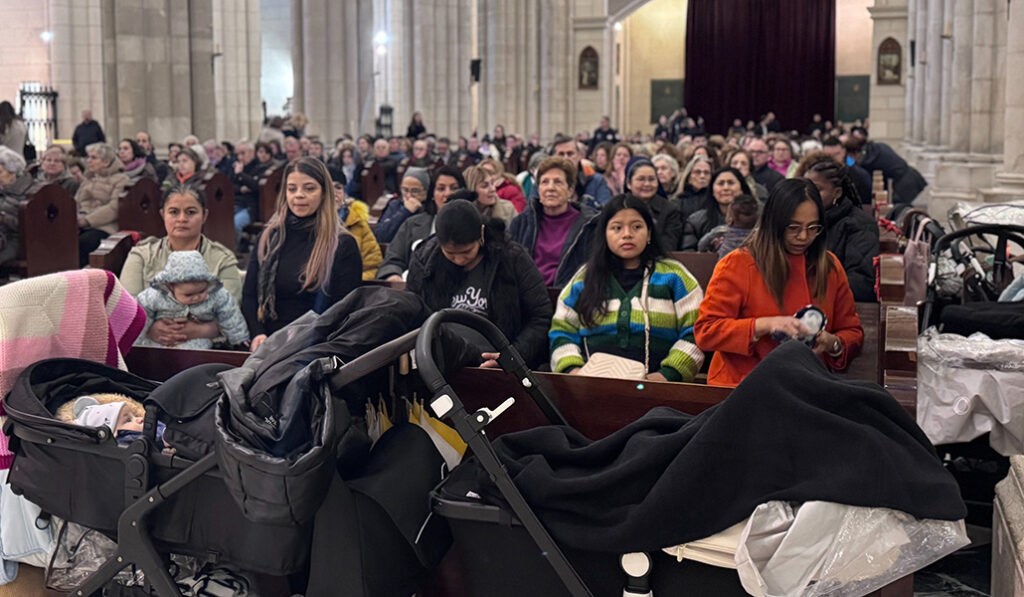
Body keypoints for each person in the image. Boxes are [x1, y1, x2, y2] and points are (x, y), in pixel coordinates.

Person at [694, 178, 864, 387]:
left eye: (813, 228)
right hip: (743, 387)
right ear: (774, 223)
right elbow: (707, 331)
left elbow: (852, 332)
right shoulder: (738, 264)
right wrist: (764, 325)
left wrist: (833, 343)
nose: (803, 236)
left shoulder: (829, 266)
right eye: (793, 227)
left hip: (808, 385)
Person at [549, 194, 705, 382]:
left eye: (637, 227)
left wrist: (666, 376)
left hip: (659, 391)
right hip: (590, 388)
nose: (627, 234)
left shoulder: (675, 276)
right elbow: (562, 331)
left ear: (649, 233)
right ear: (604, 234)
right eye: (617, 228)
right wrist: (573, 372)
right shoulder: (584, 278)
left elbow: (696, 331)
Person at [406, 198, 552, 367]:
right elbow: (413, 311)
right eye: (450, 253)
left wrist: (511, 357)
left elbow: (540, 316)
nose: (459, 260)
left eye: (467, 251)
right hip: (442, 361)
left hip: (501, 361)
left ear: (481, 233)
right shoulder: (425, 261)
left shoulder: (511, 258)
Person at [242, 157, 363, 349]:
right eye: (292, 189)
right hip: (267, 343)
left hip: (312, 346)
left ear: (324, 193)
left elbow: (341, 313)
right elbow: (249, 296)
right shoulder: (269, 236)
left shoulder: (341, 245)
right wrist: (258, 334)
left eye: (309, 188)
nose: (299, 195)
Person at [121, 184, 241, 297]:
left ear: (204, 216)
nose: (182, 219)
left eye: (191, 212)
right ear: (163, 215)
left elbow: (229, 310)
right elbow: (129, 310)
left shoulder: (222, 260)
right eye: (174, 212)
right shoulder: (142, 256)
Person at [796, 152, 879, 302]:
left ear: (837, 192)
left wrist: (808, 286)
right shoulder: (798, 219)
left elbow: (863, 283)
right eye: (805, 188)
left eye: (816, 189)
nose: (808, 195)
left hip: (835, 307)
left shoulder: (858, 225)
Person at [508, 157, 599, 288]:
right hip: (527, 298)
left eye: (558, 182)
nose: (550, 188)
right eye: (545, 182)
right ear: (539, 189)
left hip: (570, 298)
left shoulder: (590, 225)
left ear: (570, 190)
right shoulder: (521, 223)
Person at [135, 250, 249, 349]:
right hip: (159, 343)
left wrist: (239, 340)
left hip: (198, 343)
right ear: (170, 286)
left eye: (202, 291)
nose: (197, 297)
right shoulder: (155, 296)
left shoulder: (217, 295)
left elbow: (230, 315)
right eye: (189, 295)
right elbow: (140, 315)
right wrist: (135, 343)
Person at [376, 166, 465, 282]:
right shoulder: (412, 224)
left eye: (454, 188)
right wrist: (393, 275)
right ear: (432, 194)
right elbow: (392, 260)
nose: (447, 194)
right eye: (441, 189)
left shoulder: (475, 224)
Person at [75, 142, 130, 266]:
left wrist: (87, 221)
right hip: (80, 223)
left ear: (106, 162)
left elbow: (114, 208)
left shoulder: (121, 179)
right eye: (88, 157)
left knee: (84, 242)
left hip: (104, 226)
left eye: (94, 158)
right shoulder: (89, 179)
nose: (89, 161)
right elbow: (76, 201)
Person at [329, 166, 381, 281]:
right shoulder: (309, 224)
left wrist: (351, 283)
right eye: (328, 187)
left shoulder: (357, 223)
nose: (333, 193)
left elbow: (372, 265)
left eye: (338, 188)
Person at [681, 167, 750, 251]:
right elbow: (688, 253)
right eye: (721, 184)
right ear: (712, 191)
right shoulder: (696, 222)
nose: (726, 188)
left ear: (742, 189)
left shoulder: (759, 219)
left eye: (731, 183)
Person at [624, 157, 682, 252]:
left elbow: (668, 246)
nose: (647, 184)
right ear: (629, 183)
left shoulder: (670, 210)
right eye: (641, 179)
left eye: (651, 179)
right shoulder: (618, 206)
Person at [539, 135, 612, 209]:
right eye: (561, 154)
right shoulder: (544, 182)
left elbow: (606, 211)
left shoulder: (597, 181)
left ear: (579, 155)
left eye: (570, 154)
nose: (566, 158)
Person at [0, 146, 42, 263]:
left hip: (14, 239)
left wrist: (4, 219)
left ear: (14, 172)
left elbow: (34, 226)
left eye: (0, 172)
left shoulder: (33, 191)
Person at [374, 167, 432, 244]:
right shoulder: (395, 205)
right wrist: (405, 211)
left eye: (415, 191)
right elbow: (380, 236)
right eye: (405, 190)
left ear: (426, 191)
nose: (409, 195)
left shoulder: (431, 208)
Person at [695, 193, 759, 258]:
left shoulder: (721, 231)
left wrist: (711, 251)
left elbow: (701, 245)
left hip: (726, 266)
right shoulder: (759, 235)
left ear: (730, 217)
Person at [822, 137, 871, 204]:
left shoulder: (858, 175)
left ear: (844, 152)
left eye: (837, 154)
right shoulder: (819, 177)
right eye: (828, 155)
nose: (833, 158)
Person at [676, 155, 714, 220]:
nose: (702, 176)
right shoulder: (678, 202)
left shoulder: (715, 201)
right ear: (689, 177)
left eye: (706, 173)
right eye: (697, 172)